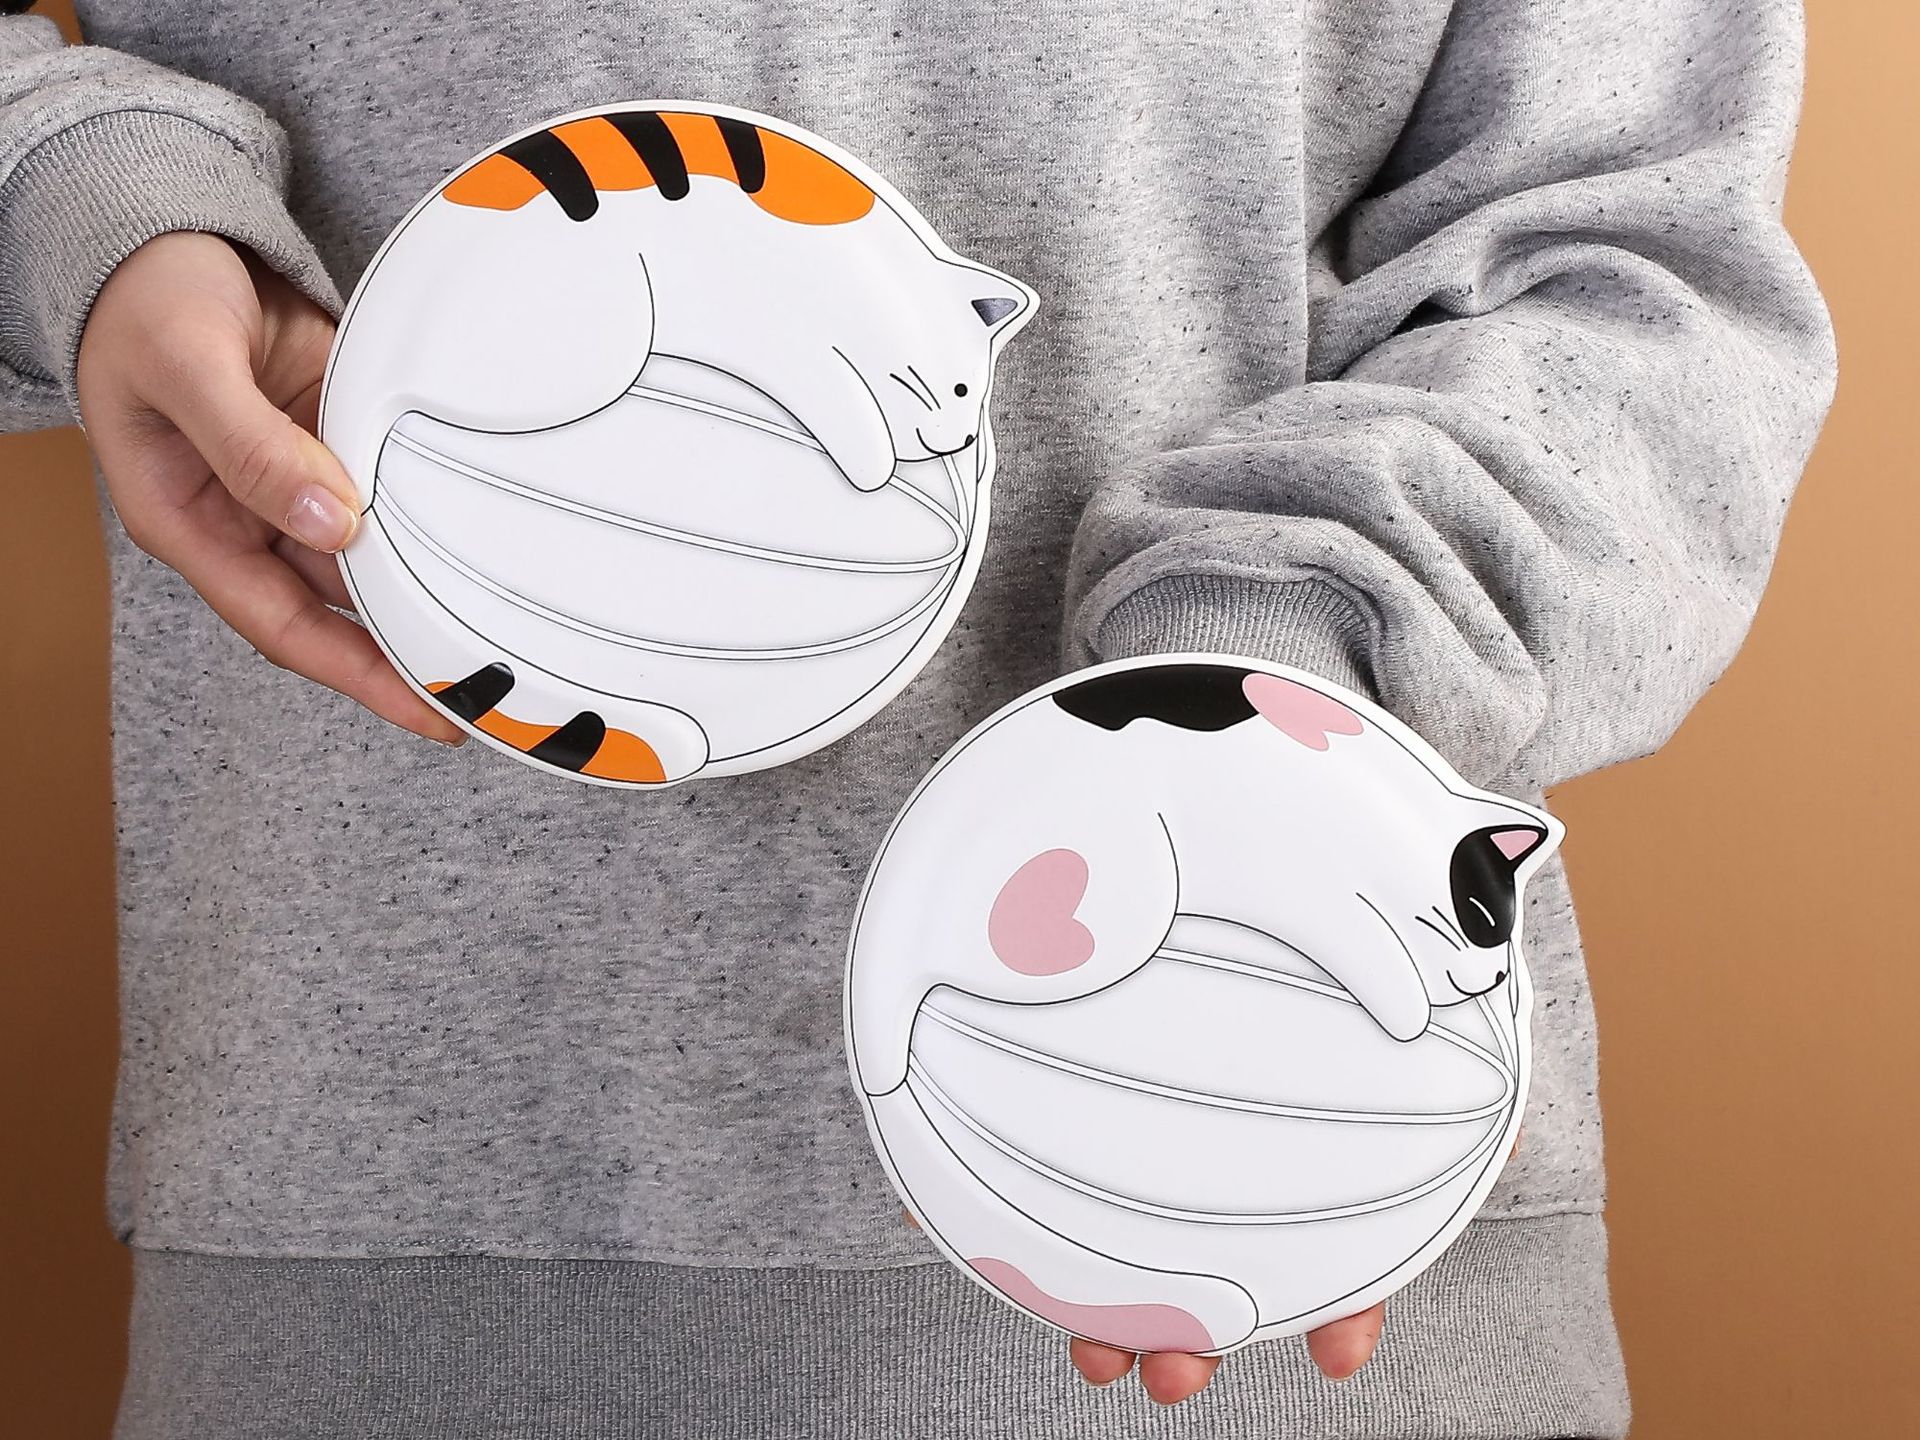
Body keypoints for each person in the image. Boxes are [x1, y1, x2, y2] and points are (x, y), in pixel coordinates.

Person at [0, 2, 1834, 1436]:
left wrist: (1249, 688)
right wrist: (85, 200)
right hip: (365, 1275)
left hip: (1285, 1227)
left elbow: (1638, 266)